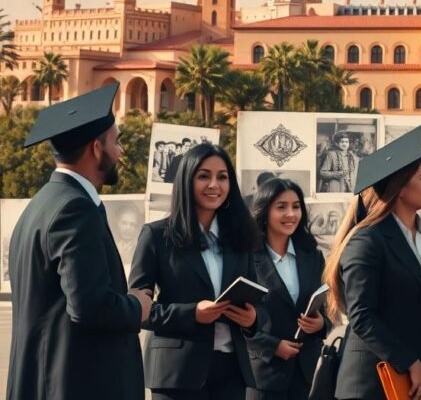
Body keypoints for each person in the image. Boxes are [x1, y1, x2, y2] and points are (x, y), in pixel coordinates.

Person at [7, 83, 153, 400]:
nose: (121, 151)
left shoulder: (43, 202)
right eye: (116, 142)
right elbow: (89, 306)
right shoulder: (74, 210)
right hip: (73, 384)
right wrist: (136, 306)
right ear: (95, 148)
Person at [129, 142, 263, 400]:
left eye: (222, 177)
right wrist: (192, 313)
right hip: (177, 374)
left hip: (232, 372)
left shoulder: (240, 238)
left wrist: (252, 320)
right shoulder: (156, 235)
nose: (214, 185)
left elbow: (259, 302)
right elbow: (137, 309)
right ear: (186, 180)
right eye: (204, 176)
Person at [327, 126, 421, 400]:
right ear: (401, 186)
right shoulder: (367, 240)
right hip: (372, 381)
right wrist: (410, 362)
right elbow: (362, 316)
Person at [246, 178, 330, 400]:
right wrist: (272, 346)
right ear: (264, 212)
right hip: (265, 376)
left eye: (296, 206)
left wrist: (322, 324)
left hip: (309, 377)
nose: (291, 214)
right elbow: (234, 316)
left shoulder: (313, 256)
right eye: (281, 207)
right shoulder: (245, 258)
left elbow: (328, 307)